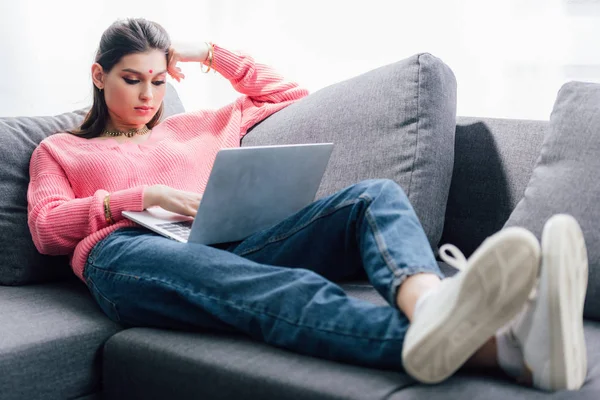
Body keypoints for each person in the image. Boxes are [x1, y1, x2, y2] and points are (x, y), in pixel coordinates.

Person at [27, 18, 589, 392]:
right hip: (125, 253)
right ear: (99, 76)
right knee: (270, 290)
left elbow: (289, 96)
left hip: (229, 240)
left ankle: (430, 304)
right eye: (132, 80)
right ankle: (502, 348)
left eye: (156, 79)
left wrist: (209, 54)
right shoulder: (61, 150)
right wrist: (141, 198)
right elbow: (48, 229)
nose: (148, 97)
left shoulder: (198, 125)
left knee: (375, 196)